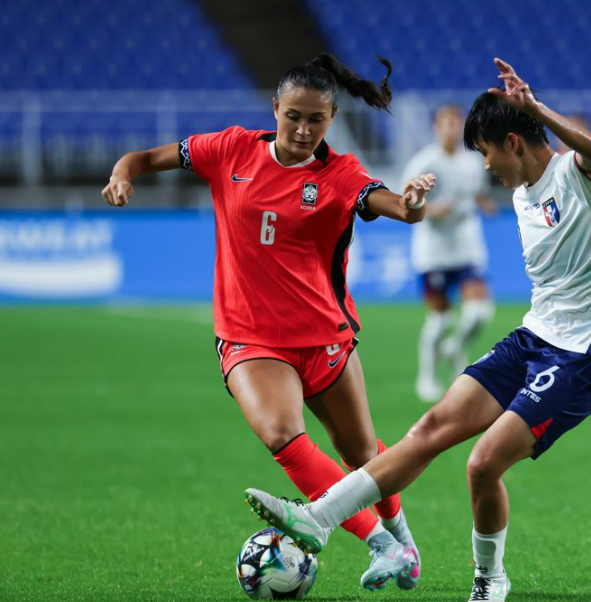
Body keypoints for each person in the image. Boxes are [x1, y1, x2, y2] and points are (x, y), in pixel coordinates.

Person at [244, 58, 591, 602]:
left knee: (483, 463)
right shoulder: (522, 194)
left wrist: (534, 107)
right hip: (536, 337)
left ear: (513, 142)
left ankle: (490, 579)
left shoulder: (575, 175)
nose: (484, 165)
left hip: (586, 352)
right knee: (430, 427)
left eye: (485, 152)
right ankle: (319, 517)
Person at [101, 53, 436, 592]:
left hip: (324, 335)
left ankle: (404, 543)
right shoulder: (230, 149)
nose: (303, 130)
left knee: (363, 454)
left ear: (331, 118)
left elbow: (395, 206)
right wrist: (122, 173)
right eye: (293, 116)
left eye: (316, 120)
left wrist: (414, 204)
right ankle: (380, 543)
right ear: (275, 108)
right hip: (250, 337)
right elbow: (144, 158)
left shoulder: (340, 173)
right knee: (283, 435)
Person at [402, 104, 497, 402]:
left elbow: (475, 192)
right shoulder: (424, 162)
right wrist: (429, 209)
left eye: (457, 123)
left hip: (467, 246)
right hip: (434, 250)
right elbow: (404, 201)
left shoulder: (473, 161)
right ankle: (427, 376)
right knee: (440, 319)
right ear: (436, 127)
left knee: (479, 313)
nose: (452, 129)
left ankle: (455, 347)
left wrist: (484, 203)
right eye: (447, 123)